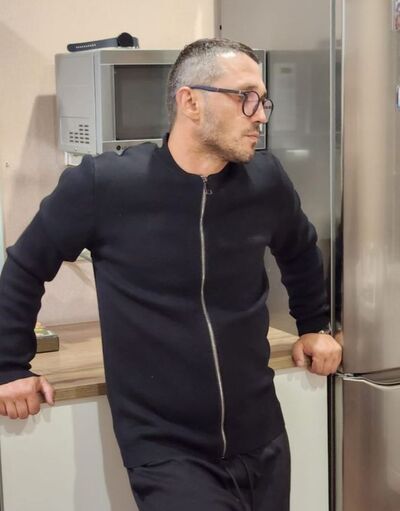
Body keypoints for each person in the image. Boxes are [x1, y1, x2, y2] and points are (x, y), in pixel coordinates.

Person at [0, 38, 342, 510]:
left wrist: (314, 325)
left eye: (264, 100)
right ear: (190, 101)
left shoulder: (266, 181)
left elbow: (301, 251)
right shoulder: (105, 184)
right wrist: (9, 367)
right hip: (167, 452)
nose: (261, 115)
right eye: (246, 97)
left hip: (262, 435)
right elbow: (25, 267)